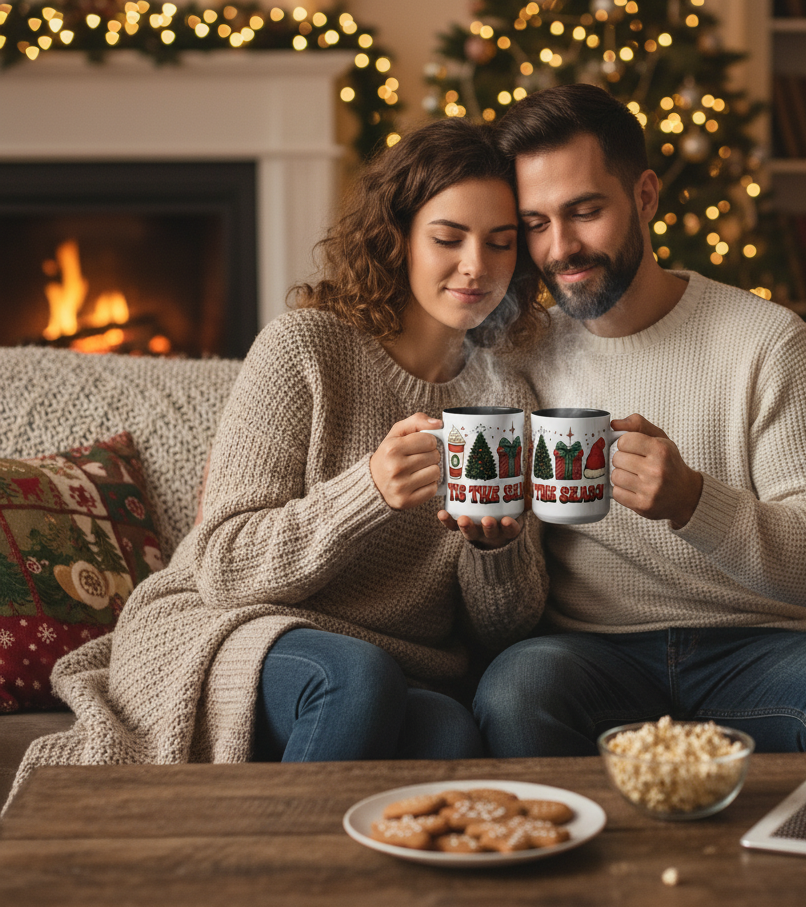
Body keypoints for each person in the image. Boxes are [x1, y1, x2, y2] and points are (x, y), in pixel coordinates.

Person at [5, 119, 549, 808]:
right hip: (231, 627)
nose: (477, 266)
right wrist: (368, 491)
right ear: (400, 238)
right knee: (355, 678)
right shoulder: (307, 351)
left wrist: (492, 548)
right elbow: (224, 566)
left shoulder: (508, 399)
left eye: (501, 244)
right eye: (448, 238)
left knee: (447, 732)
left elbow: (505, 630)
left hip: (403, 662)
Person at [473, 83, 806, 755]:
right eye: (536, 223)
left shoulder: (768, 341)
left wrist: (693, 501)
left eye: (585, 211)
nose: (560, 247)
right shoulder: (521, 351)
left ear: (645, 196)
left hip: (765, 650)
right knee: (514, 692)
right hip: (592, 654)